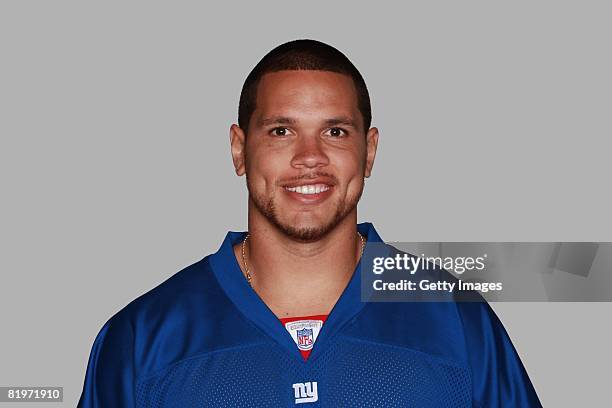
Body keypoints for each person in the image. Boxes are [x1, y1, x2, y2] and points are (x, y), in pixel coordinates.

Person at [77, 39, 542, 407]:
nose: (309, 158)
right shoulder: (144, 337)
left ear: (370, 150)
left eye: (334, 132)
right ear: (239, 149)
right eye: (281, 131)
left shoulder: (457, 320)